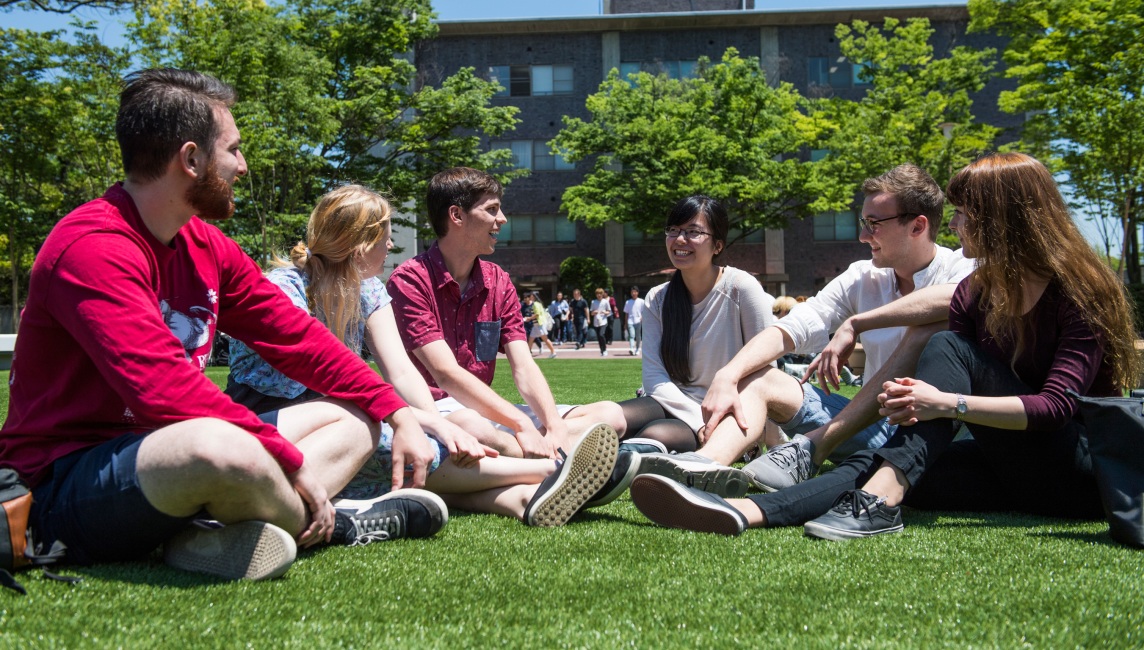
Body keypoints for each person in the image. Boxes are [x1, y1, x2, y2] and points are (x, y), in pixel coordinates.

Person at [0, 69, 446, 583]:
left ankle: (215, 530)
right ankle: (336, 523)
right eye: (232, 149)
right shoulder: (92, 247)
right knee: (218, 445)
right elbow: (162, 390)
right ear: (191, 160)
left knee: (354, 417)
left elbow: (297, 338)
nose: (243, 165)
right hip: (65, 479)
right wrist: (287, 460)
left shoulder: (206, 245)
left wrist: (395, 410)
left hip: (169, 450)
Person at [630, 152, 1137, 539]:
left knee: (942, 348)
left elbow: (1056, 407)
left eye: (965, 213)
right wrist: (856, 326)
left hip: (1073, 474)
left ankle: (874, 498)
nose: (955, 223)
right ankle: (746, 511)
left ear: (1006, 219)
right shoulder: (984, 290)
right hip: (996, 462)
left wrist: (945, 402)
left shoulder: (1076, 291)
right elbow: (806, 323)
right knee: (892, 461)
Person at [226, 185, 621, 526]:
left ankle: (520, 499)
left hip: (342, 413)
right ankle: (549, 472)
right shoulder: (284, 290)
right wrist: (419, 422)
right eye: (384, 237)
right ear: (361, 245)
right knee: (385, 440)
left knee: (421, 442)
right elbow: (328, 380)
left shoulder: (369, 290)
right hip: (277, 416)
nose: (390, 246)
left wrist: (433, 425)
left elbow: (400, 372)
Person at [636, 164, 974, 497]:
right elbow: (794, 325)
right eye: (863, 223)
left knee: (927, 328)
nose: (862, 236)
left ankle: (810, 449)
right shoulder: (862, 275)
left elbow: (951, 299)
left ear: (917, 226)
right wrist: (728, 374)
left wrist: (857, 322)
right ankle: (703, 466)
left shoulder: (962, 266)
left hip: (937, 437)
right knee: (761, 377)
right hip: (871, 425)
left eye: (874, 224)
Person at [387, 167, 628, 462]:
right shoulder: (410, 280)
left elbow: (523, 366)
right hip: (436, 411)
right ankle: (560, 463)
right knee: (474, 427)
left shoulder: (498, 280)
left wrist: (554, 427)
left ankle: (545, 453)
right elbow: (445, 375)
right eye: (491, 210)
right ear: (457, 216)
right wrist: (521, 423)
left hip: (485, 411)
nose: (502, 219)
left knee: (612, 415)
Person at [618, 196, 776, 463]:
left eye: (693, 232)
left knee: (657, 435)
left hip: (729, 409)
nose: (680, 240)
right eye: (673, 230)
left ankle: (612, 464)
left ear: (718, 245)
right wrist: (696, 418)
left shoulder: (741, 288)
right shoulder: (658, 298)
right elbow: (655, 379)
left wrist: (744, 429)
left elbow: (766, 368)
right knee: (607, 416)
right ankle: (556, 457)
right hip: (673, 401)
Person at [524, 292, 558, 358]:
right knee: (531, 339)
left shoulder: (536, 304)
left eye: (531, 296)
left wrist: (529, 318)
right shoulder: (538, 304)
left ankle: (553, 352)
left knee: (545, 339)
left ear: (534, 296)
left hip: (539, 324)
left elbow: (537, 314)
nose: (530, 297)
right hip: (537, 324)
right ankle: (528, 353)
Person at [623, 285, 645, 356]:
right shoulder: (628, 302)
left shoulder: (641, 301)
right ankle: (631, 348)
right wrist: (625, 323)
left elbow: (644, 311)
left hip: (638, 321)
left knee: (638, 336)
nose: (633, 293)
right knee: (632, 335)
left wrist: (642, 317)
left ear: (637, 293)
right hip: (630, 321)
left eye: (635, 292)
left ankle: (637, 349)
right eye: (632, 292)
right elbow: (626, 314)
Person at [591, 288, 612, 357]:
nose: (599, 295)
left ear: (603, 294)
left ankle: (605, 349)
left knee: (601, 334)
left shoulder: (605, 301)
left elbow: (609, 311)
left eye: (600, 294)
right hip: (596, 321)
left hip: (604, 321)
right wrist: (594, 312)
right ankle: (602, 350)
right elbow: (591, 313)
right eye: (597, 294)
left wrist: (605, 312)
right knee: (598, 337)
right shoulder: (593, 302)